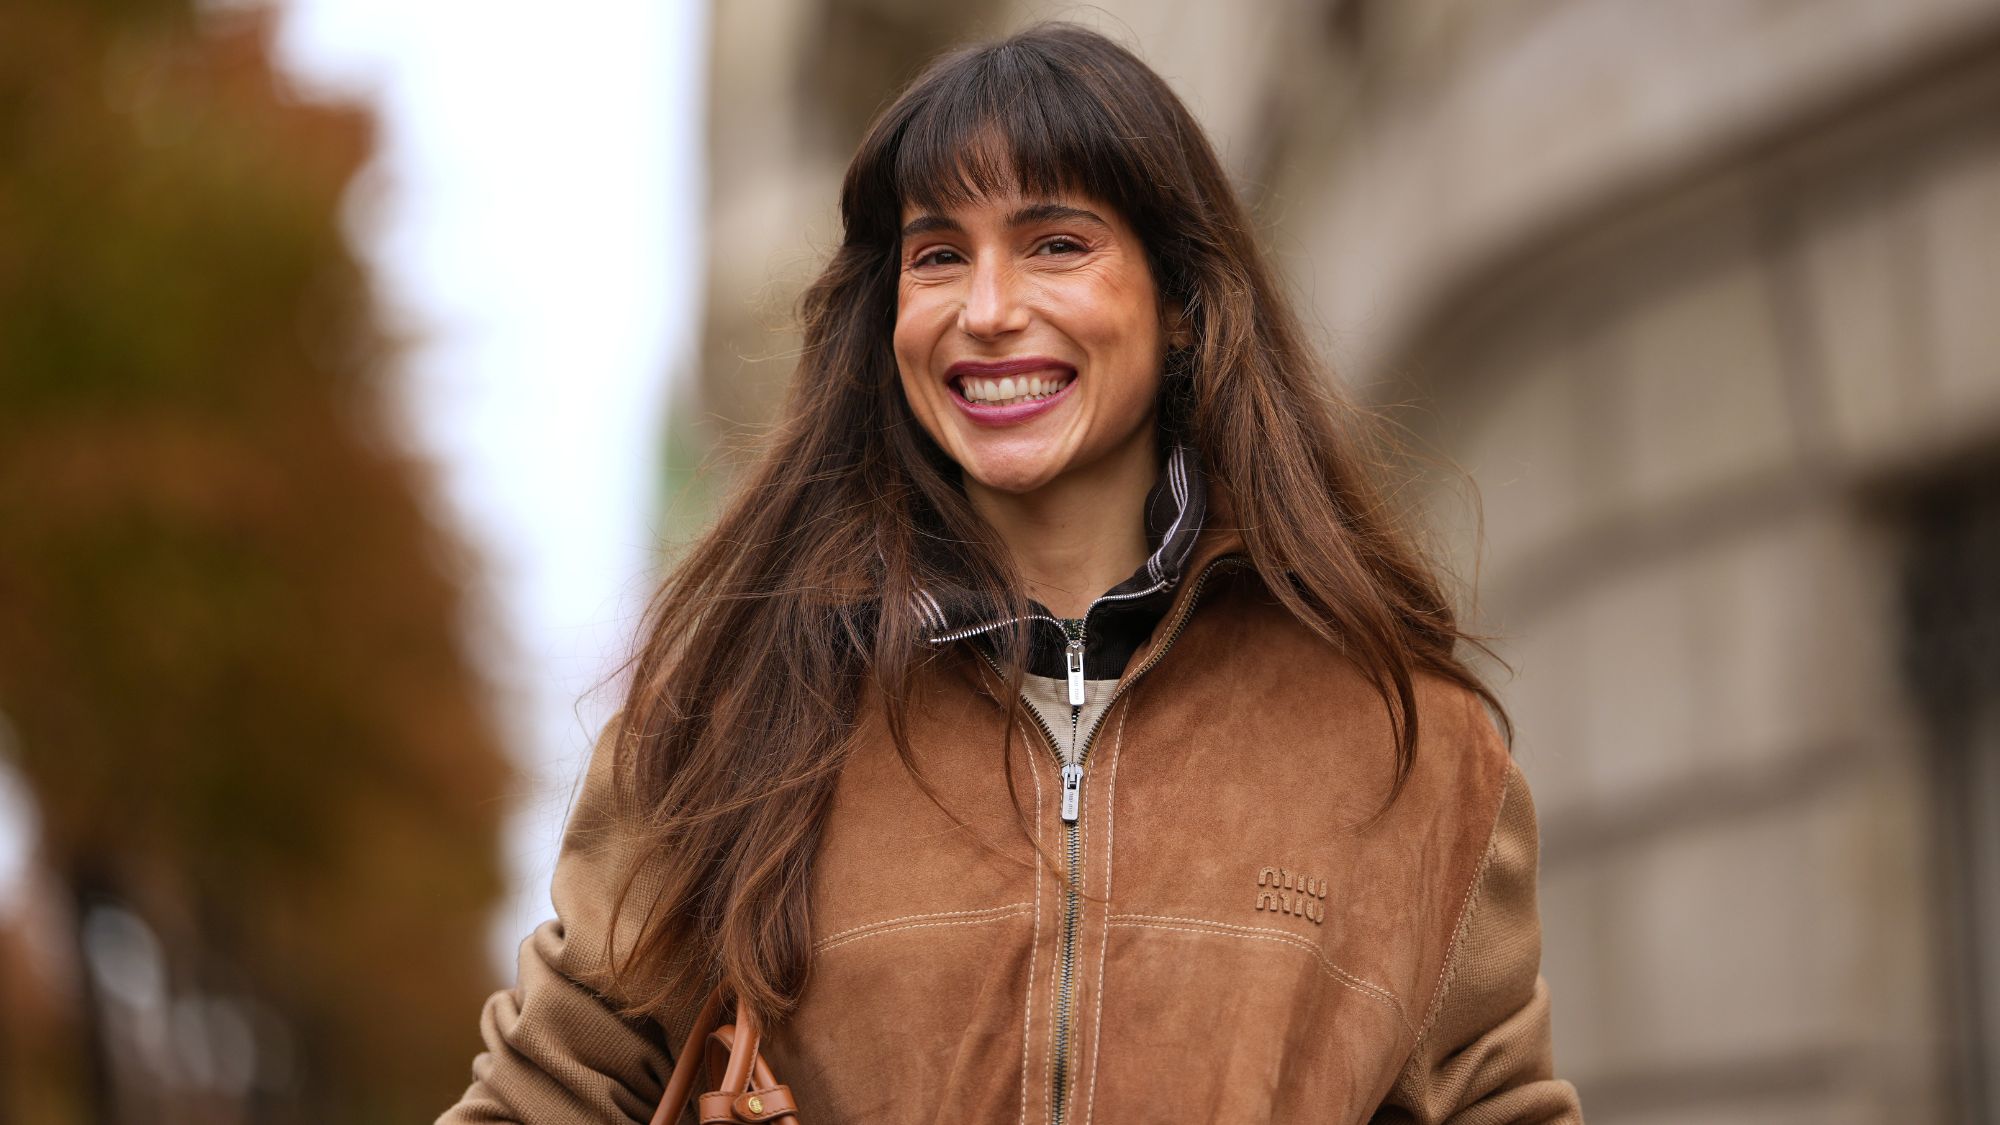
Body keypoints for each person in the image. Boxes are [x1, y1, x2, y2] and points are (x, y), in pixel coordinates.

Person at [440, 22, 1582, 1125]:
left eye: (1054, 244)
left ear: (1179, 304)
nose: (987, 312)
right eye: (939, 255)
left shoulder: (1407, 747)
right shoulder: (729, 716)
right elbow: (543, 1098)